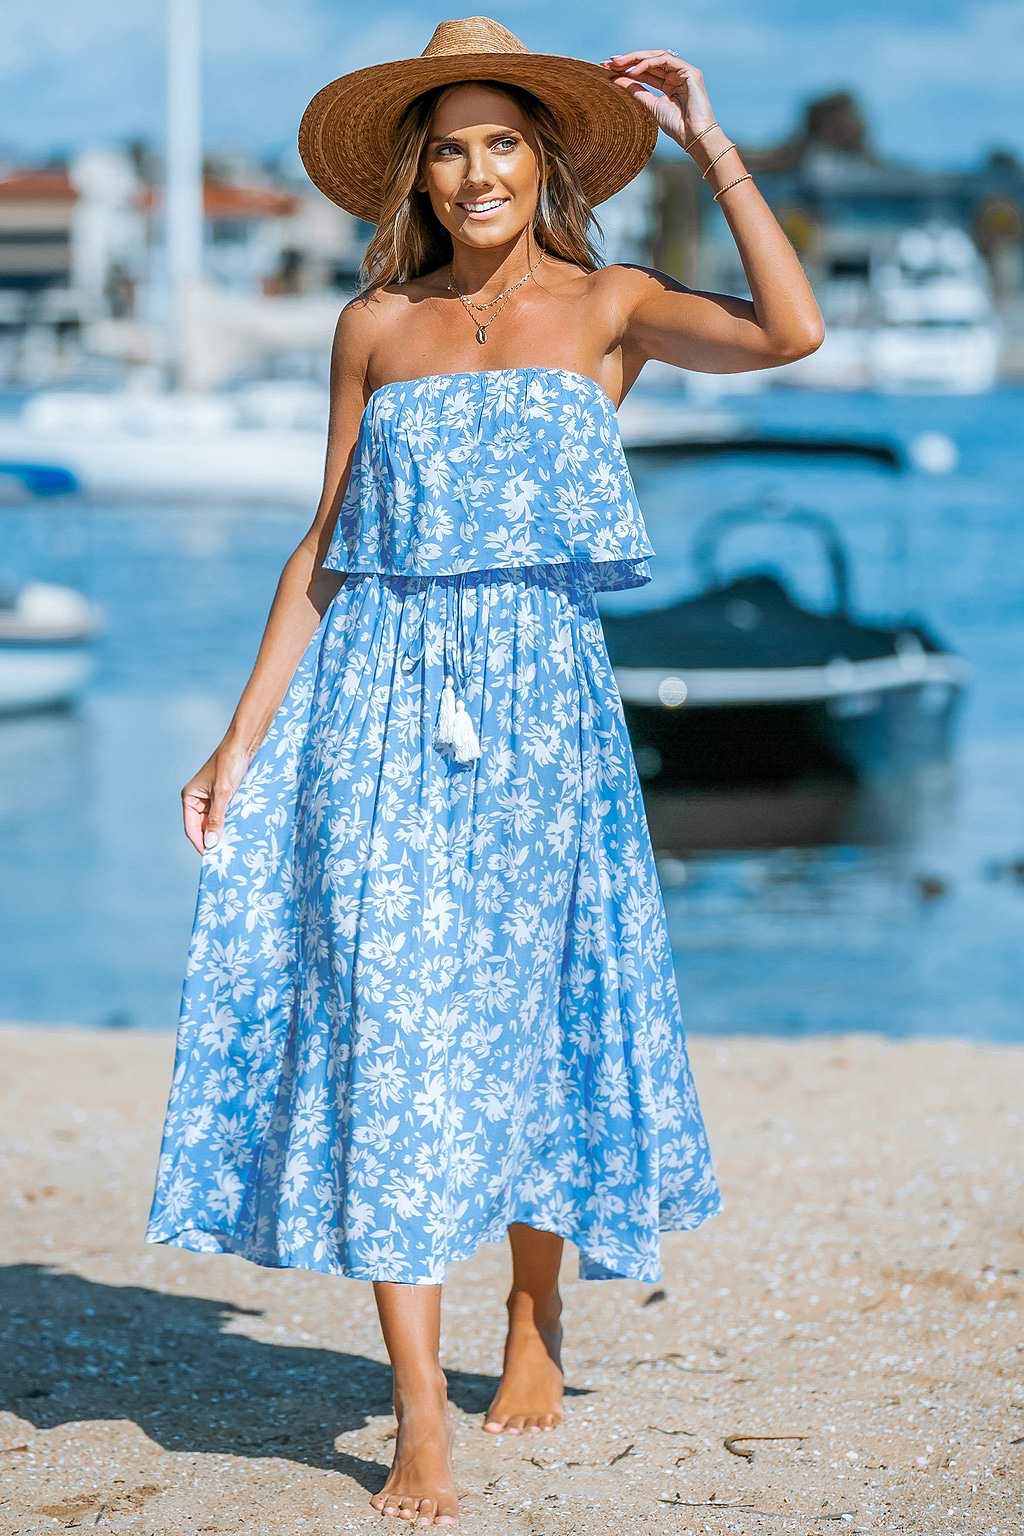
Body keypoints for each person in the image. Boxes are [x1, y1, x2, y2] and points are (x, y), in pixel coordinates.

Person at [144, 16, 824, 1528]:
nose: (474, 170)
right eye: (448, 146)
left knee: (528, 1018)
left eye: (501, 140)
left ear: (546, 160)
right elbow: (323, 546)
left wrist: (715, 146)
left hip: (546, 719)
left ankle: (533, 1315)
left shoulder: (612, 305)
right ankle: (414, 1414)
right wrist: (238, 736)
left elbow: (791, 333)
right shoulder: (375, 325)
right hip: (379, 710)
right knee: (395, 1023)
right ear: (420, 173)